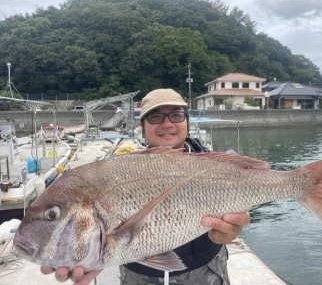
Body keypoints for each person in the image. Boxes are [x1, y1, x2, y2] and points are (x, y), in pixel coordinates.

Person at [41, 88, 250, 285]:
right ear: (142, 127)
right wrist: (94, 253)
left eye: (176, 115)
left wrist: (231, 230)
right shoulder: (119, 172)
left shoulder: (218, 168)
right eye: (155, 117)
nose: (167, 123)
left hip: (205, 273)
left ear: (187, 121)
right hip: (138, 276)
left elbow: (238, 211)